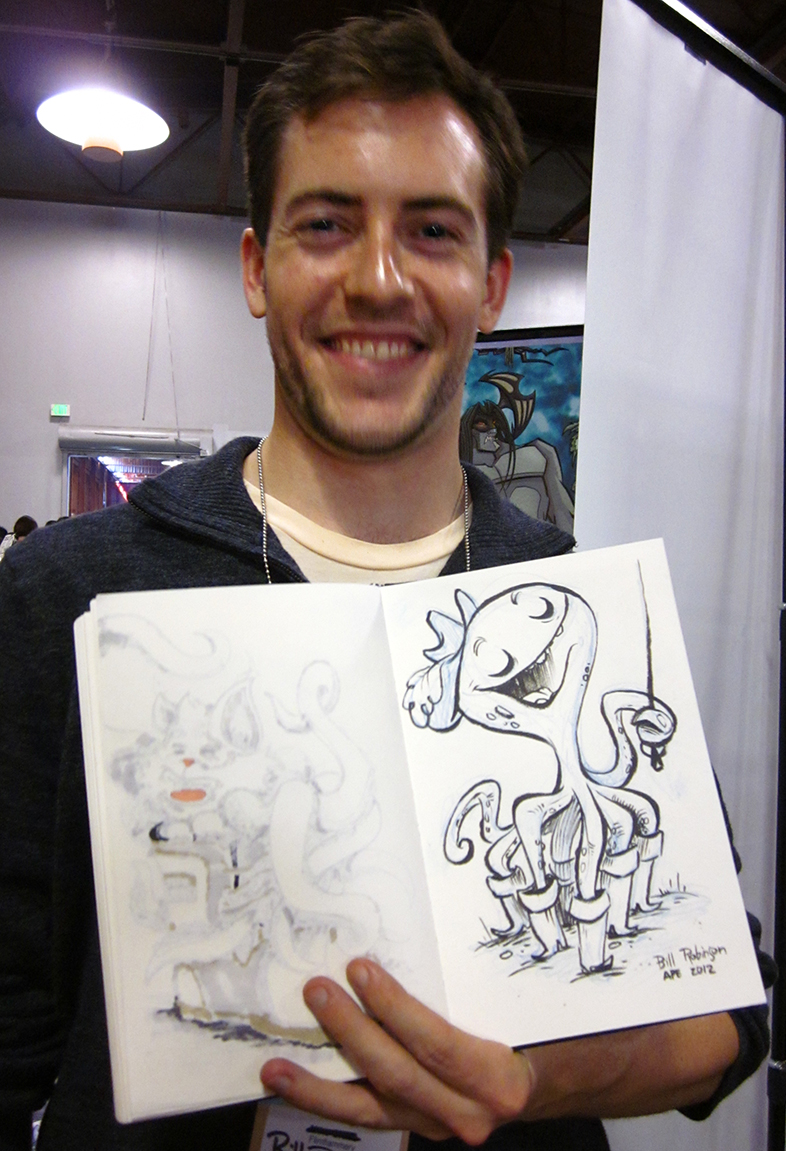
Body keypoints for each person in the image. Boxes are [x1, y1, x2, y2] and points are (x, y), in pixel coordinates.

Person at [0, 12, 771, 1151]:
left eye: (432, 231)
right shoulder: (67, 594)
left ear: (492, 284)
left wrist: (534, 1079)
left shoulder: (571, 609)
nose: (377, 279)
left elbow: (730, 1007)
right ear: (257, 268)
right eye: (326, 224)